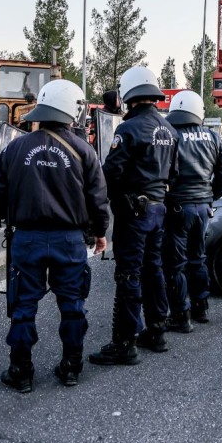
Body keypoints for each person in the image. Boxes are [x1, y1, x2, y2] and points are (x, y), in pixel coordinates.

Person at [0, 79, 110, 393]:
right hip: (68, 241)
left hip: (26, 238)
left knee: (23, 306)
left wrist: (5, 217)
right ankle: (71, 367)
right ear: (72, 110)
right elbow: (98, 199)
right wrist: (100, 233)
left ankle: (21, 371)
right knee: (72, 305)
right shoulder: (84, 151)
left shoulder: (16, 147)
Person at [89, 67, 178, 366]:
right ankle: (157, 331)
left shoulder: (128, 129)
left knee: (129, 275)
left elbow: (110, 174)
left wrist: (102, 203)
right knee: (154, 270)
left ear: (129, 94)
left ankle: (124, 343)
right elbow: (174, 174)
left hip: (134, 213)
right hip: (158, 209)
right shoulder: (169, 130)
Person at [162, 90, 222, 331]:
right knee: (198, 259)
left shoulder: (170, 136)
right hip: (203, 206)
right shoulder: (212, 137)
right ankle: (201, 308)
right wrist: (212, 195)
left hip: (177, 206)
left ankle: (181, 316)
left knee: (175, 264)